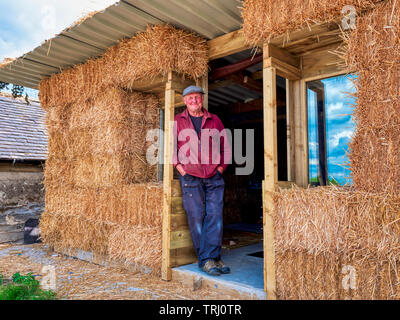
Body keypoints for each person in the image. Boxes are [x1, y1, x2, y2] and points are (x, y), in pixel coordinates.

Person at [173, 85, 232, 276]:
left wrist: (221, 167)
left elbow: (226, 147)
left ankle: (211, 258)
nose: (194, 101)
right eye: (189, 98)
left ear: (202, 99)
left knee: (215, 216)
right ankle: (208, 259)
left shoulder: (215, 120)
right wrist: (180, 168)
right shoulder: (177, 121)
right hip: (190, 176)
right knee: (196, 216)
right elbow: (170, 148)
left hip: (213, 176)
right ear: (184, 101)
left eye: (197, 97)